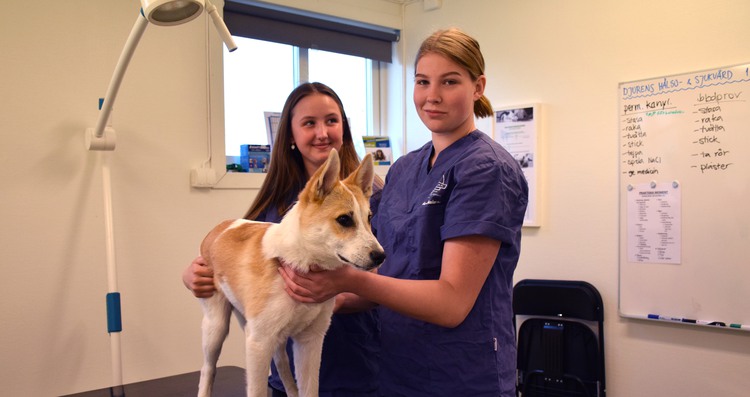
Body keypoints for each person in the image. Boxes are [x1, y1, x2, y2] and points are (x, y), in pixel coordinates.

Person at [279, 28, 529, 397]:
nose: (432, 96)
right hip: (395, 369)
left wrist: (348, 282)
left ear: (478, 87)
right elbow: (386, 279)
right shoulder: (403, 169)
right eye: (422, 81)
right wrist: (315, 296)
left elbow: (452, 303)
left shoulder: (486, 170)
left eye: (449, 82)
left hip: (461, 376)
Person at [183, 82, 383, 397]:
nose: (322, 132)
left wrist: (334, 294)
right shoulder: (272, 203)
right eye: (309, 123)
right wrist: (196, 273)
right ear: (290, 134)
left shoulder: (374, 197)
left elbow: (387, 278)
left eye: (331, 120)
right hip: (279, 375)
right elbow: (236, 259)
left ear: (344, 127)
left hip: (358, 368)